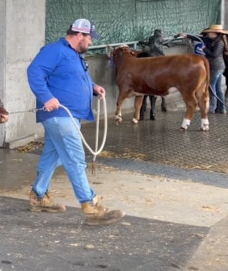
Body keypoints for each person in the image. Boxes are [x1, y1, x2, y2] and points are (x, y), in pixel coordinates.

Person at [26, 18, 125, 226]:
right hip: (60, 115)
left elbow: (77, 78)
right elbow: (34, 72)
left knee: (54, 156)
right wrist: (47, 97)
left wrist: (93, 87)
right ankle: (90, 205)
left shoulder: (75, 55)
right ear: (79, 35)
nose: (91, 42)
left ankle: (38, 195)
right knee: (75, 158)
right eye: (89, 38)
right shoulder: (55, 50)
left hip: (69, 115)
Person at [179, 25, 227, 113]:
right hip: (215, 67)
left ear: (214, 33)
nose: (207, 33)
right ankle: (221, 109)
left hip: (217, 67)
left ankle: (211, 108)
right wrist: (186, 35)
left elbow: (214, 54)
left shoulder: (220, 42)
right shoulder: (211, 40)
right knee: (218, 88)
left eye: (209, 32)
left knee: (211, 87)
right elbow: (199, 38)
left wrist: (204, 49)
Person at [138, 29, 168, 120]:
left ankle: (143, 111)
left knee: (145, 89)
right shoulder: (161, 39)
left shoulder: (151, 38)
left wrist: (142, 42)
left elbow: (150, 45)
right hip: (160, 62)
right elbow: (156, 45)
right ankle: (157, 108)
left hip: (150, 61)